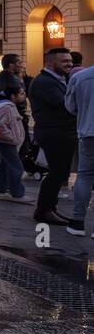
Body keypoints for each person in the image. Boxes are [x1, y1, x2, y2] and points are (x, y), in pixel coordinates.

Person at [28, 46, 78, 227]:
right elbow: (64, 105)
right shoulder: (44, 82)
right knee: (58, 172)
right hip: (54, 132)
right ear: (50, 62)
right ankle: (43, 210)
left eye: (70, 61)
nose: (69, 64)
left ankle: (49, 208)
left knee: (61, 172)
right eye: (64, 61)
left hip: (61, 132)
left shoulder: (60, 79)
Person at [64, 58, 94, 236]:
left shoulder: (81, 77)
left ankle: (77, 222)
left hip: (88, 132)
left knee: (84, 175)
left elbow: (70, 107)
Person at [0, 85, 27, 201]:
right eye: (21, 93)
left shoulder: (8, 106)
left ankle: (0, 190)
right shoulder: (7, 107)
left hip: (7, 141)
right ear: (13, 96)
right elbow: (0, 124)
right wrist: (11, 137)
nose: (23, 96)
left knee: (4, 166)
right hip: (7, 142)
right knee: (16, 167)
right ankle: (17, 193)